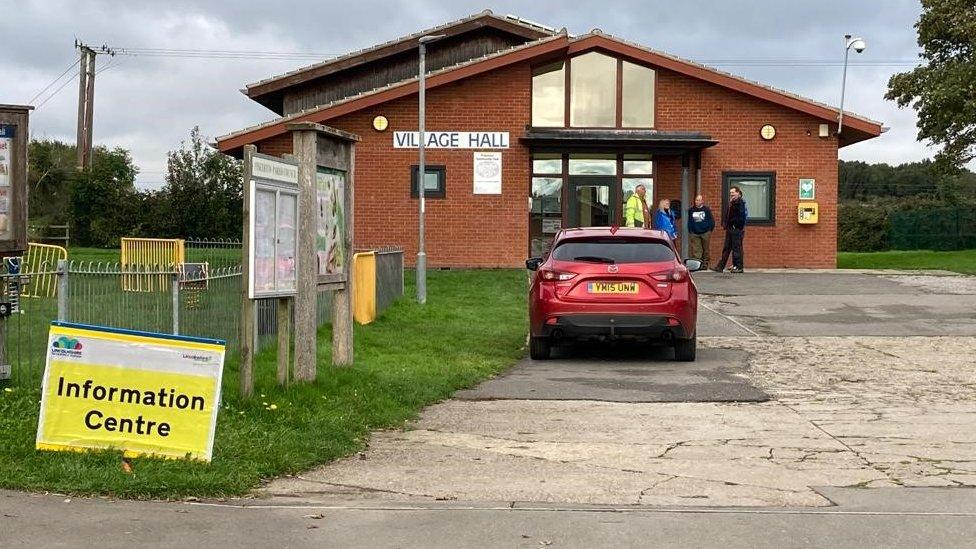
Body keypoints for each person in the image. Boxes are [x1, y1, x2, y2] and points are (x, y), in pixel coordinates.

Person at [712, 186, 747, 273]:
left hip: (736, 229)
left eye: (733, 192)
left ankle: (739, 267)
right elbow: (728, 214)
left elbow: (742, 216)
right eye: (730, 192)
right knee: (726, 248)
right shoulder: (732, 202)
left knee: (736, 248)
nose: (731, 194)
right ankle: (720, 267)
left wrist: (736, 225)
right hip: (730, 228)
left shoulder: (740, 202)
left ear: (738, 193)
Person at [687, 194, 715, 269]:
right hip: (694, 233)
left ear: (702, 201)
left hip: (705, 232)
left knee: (706, 249)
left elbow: (711, 221)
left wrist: (709, 230)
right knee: (696, 250)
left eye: (699, 200)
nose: (697, 202)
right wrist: (690, 230)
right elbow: (689, 221)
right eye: (696, 200)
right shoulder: (691, 210)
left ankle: (705, 264)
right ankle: (697, 265)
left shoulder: (706, 210)